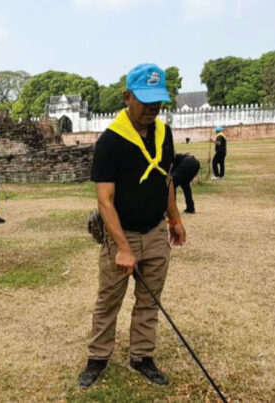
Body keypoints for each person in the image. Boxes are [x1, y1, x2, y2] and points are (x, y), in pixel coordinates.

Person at [79, 63, 186, 387]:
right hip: (120, 236)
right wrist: (123, 247)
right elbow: (105, 200)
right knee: (109, 301)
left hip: (155, 232)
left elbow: (165, 178)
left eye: (158, 101)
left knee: (150, 301)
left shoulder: (164, 133)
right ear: (127, 97)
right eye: (146, 100)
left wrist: (174, 218)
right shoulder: (110, 141)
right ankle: (98, 357)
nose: (153, 107)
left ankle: (142, 357)